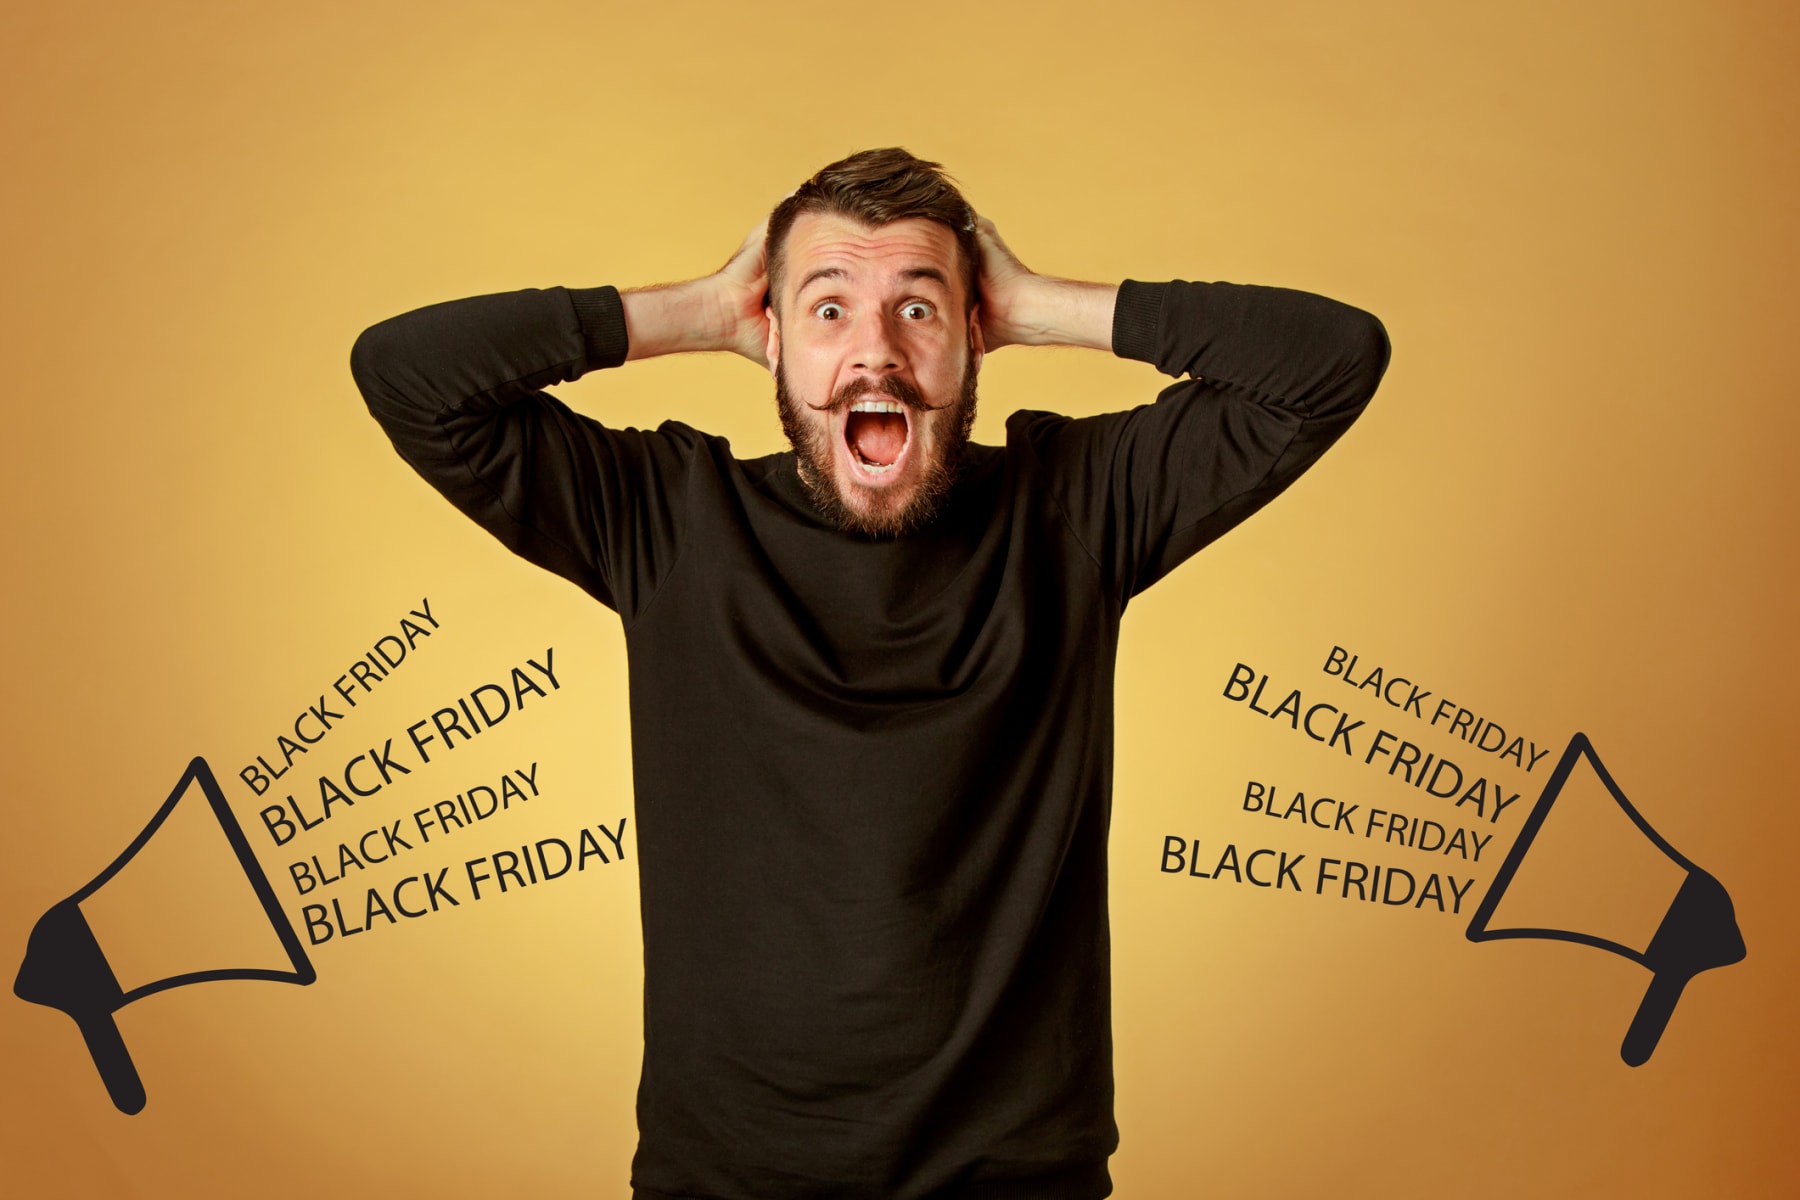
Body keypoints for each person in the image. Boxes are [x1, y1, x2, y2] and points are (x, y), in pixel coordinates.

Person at [351, 147, 1390, 1200]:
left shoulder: (1075, 510)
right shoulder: (669, 522)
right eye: (830, 309)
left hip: (1014, 1180)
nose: (876, 355)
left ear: (973, 334)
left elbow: (1332, 361)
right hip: (726, 1183)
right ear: (772, 338)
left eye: (921, 310)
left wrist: (1037, 303)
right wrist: (695, 309)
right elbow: (408, 377)